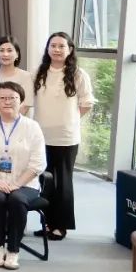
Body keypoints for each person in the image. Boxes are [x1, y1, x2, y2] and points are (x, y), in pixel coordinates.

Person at [0, 81, 47, 270]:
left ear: (21, 100)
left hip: (25, 184)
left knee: (17, 199)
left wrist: (17, 184)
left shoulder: (32, 127)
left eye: (12, 98)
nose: (7, 102)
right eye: (2, 98)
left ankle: (13, 250)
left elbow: (38, 164)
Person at [31, 32, 94, 241]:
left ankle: (61, 226)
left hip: (66, 138)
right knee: (45, 182)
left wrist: (69, 121)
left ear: (70, 49)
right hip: (41, 136)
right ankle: (48, 223)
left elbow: (86, 104)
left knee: (63, 183)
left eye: (61, 46)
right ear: (47, 48)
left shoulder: (78, 74)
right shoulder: (39, 72)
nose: (57, 50)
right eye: (53, 45)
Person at [0, 36, 34, 116]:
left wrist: (7, 121)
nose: (5, 54)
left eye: (9, 50)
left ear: (17, 54)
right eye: (1, 50)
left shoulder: (26, 76)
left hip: (19, 121)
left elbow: (25, 105)